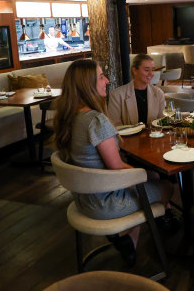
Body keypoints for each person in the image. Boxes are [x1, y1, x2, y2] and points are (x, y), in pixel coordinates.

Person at [53, 59, 173, 265]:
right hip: (105, 202)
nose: (107, 80)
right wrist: (148, 174)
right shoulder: (95, 121)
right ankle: (129, 234)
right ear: (86, 84)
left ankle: (129, 240)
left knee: (144, 182)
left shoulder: (69, 117)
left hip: (84, 198)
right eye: (101, 76)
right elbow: (117, 167)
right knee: (166, 186)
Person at [108, 54, 165, 127]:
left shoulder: (158, 93)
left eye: (153, 70)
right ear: (134, 70)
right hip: (128, 138)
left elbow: (162, 121)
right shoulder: (117, 95)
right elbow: (114, 126)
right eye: (147, 70)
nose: (151, 74)